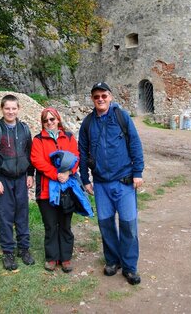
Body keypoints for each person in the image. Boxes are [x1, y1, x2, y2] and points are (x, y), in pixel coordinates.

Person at [78, 82, 144, 285]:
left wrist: (138, 172)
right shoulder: (88, 123)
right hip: (101, 184)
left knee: (128, 225)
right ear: (92, 99)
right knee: (106, 225)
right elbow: (82, 151)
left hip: (123, 181)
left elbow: (134, 143)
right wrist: (85, 179)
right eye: (96, 96)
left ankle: (130, 266)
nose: (100, 99)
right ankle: (112, 261)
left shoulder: (121, 117)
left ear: (110, 97)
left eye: (103, 96)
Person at [0, 94, 35, 271]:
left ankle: (24, 249)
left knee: (22, 214)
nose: (11, 111)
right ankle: (8, 252)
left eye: (14, 108)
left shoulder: (24, 129)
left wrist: (30, 174)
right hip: (3, 180)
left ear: (19, 109)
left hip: (21, 178)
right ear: (2, 109)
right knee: (5, 216)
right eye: (7, 108)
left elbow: (30, 153)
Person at [30, 107, 79, 273]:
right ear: (42, 123)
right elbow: (37, 160)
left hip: (66, 189)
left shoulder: (69, 137)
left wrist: (68, 172)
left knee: (65, 224)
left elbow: (75, 157)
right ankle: (52, 257)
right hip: (46, 189)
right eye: (46, 120)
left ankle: (65, 258)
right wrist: (55, 174)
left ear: (58, 119)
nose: (49, 122)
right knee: (50, 225)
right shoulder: (38, 140)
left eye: (52, 119)